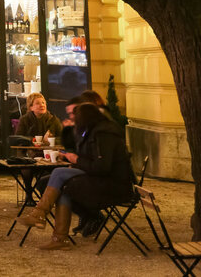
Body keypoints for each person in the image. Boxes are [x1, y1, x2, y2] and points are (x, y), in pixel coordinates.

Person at [17, 103, 135, 250]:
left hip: (114, 184)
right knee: (62, 185)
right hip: (100, 177)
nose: (72, 118)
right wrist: (74, 161)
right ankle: (59, 238)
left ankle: (40, 216)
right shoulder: (94, 131)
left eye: (75, 116)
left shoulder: (104, 134)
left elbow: (102, 167)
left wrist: (76, 160)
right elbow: (92, 159)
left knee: (60, 174)